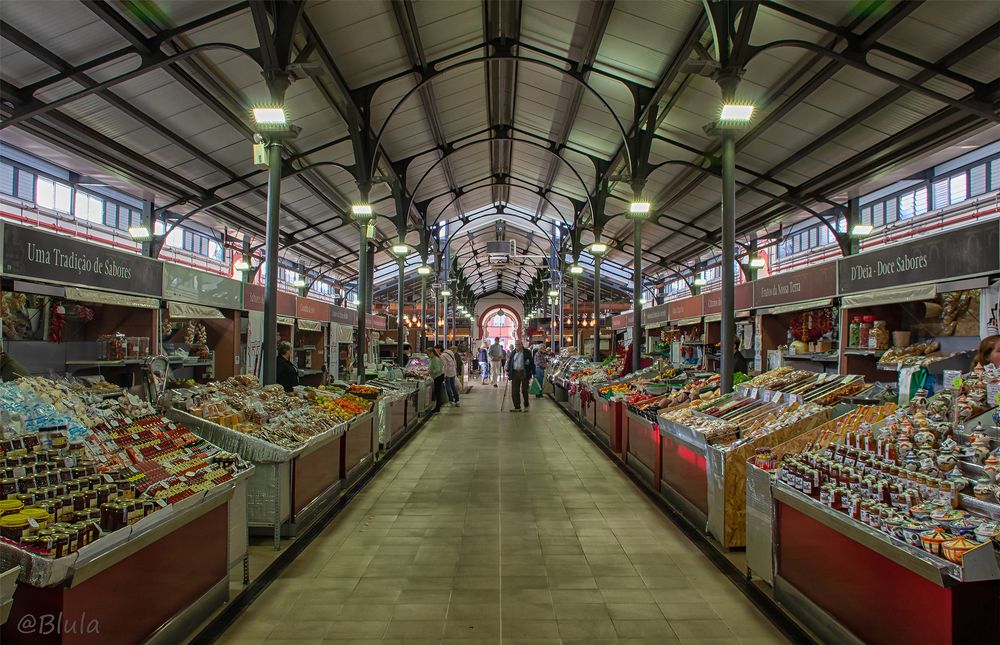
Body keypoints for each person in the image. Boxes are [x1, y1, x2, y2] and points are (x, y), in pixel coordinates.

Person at [506, 339, 535, 412]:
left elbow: (531, 363)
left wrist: (534, 372)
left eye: (518, 344)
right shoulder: (513, 352)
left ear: (522, 345)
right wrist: (508, 370)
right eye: (516, 344)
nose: (517, 346)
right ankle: (517, 407)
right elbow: (510, 362)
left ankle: (526, 402)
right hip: (515, 373)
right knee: (515, 391)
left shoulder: (527, 352)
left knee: (524, 390)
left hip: (524, 372)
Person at [427, 347, 445, 412]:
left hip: (438, 377)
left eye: (428, 353)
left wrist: (430, 372)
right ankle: (437, 407)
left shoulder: (435, 359)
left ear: (432, 353)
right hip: (437, 377)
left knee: (438, 393)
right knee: (437, 392)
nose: (428, 355)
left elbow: (438, 369)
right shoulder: (433, 359)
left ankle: (437, 408)